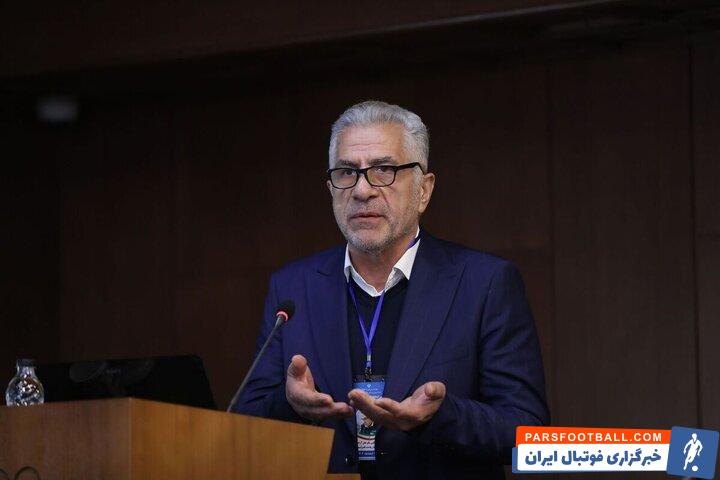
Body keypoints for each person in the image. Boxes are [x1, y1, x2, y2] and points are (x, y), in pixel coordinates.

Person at [232, 100, 549, 479]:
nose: (362, 189)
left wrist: (439, 416)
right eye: (347, 172)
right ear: (331, 189)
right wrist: (289, 404)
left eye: (383, 169)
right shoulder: (293, 287)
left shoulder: (484, 283)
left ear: (423, 190)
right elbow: (241, 423)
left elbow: (528, 433)